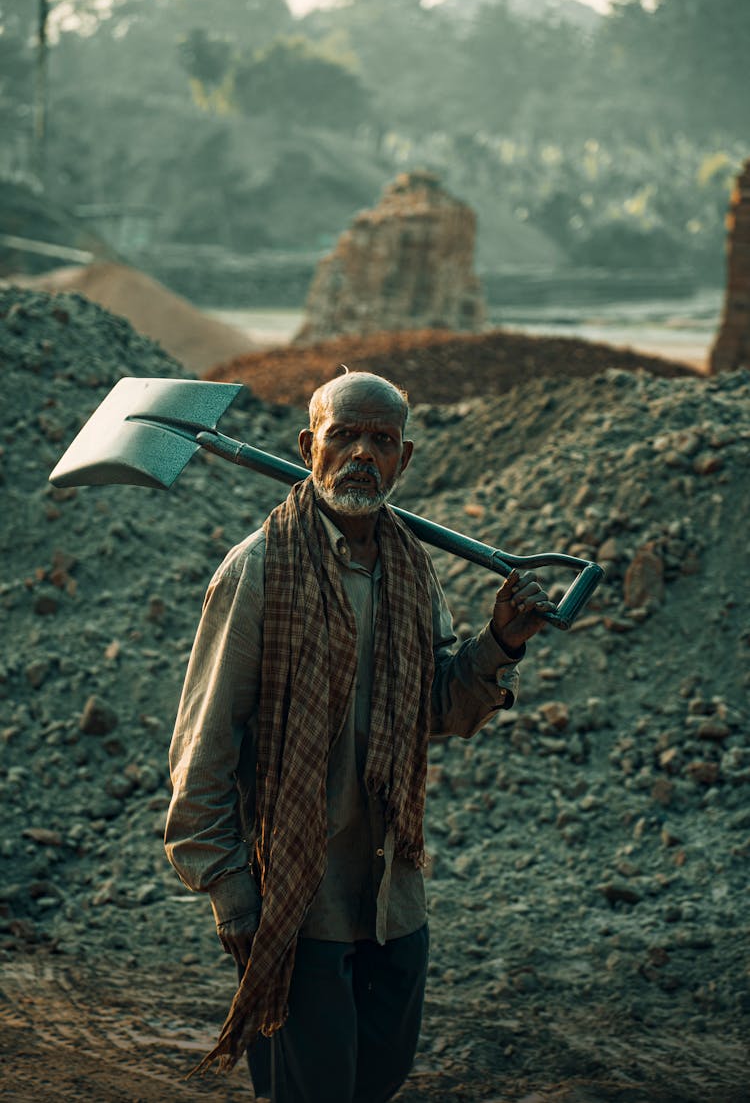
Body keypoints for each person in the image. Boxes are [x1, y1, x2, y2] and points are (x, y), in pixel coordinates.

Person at [164, 370, 553, 1102]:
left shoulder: (412, 568)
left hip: (390, 894)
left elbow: (437, 707)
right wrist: (229, 890)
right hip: (295, 902)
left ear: (405, 460)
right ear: (310, 446)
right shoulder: (258, 570)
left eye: (382, 441)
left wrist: (499, 642)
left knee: (377, 1078)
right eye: (344, 436)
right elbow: (203, 744)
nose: (362, 455)